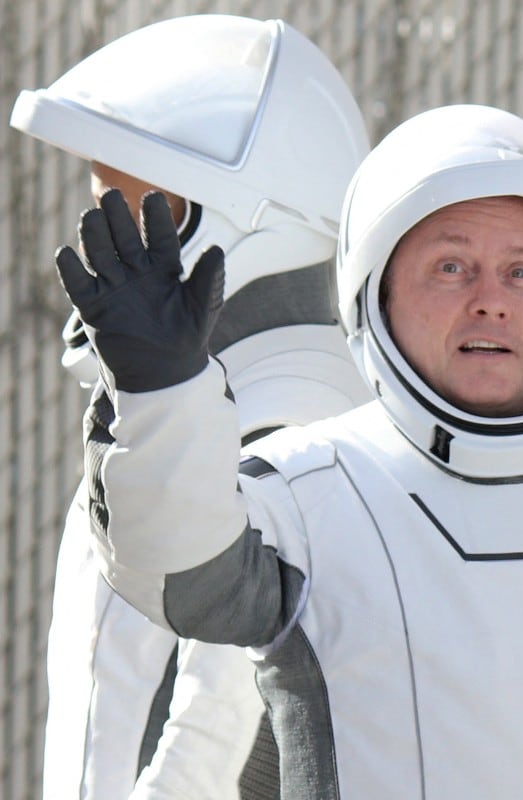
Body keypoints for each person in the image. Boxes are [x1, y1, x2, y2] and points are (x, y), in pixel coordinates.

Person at [51, 103, 523, 798]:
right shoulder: (307, 490)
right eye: (450, 267)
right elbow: (182, 576)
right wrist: (160, 395)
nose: (490, 299)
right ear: (375, 298)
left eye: (522, 271)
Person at [11, 14, 372, 799]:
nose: (103, 241)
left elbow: (219, 730)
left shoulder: (282, 421)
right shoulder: (217, 396)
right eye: (100, 203)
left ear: (244, 223)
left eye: (136, 214)